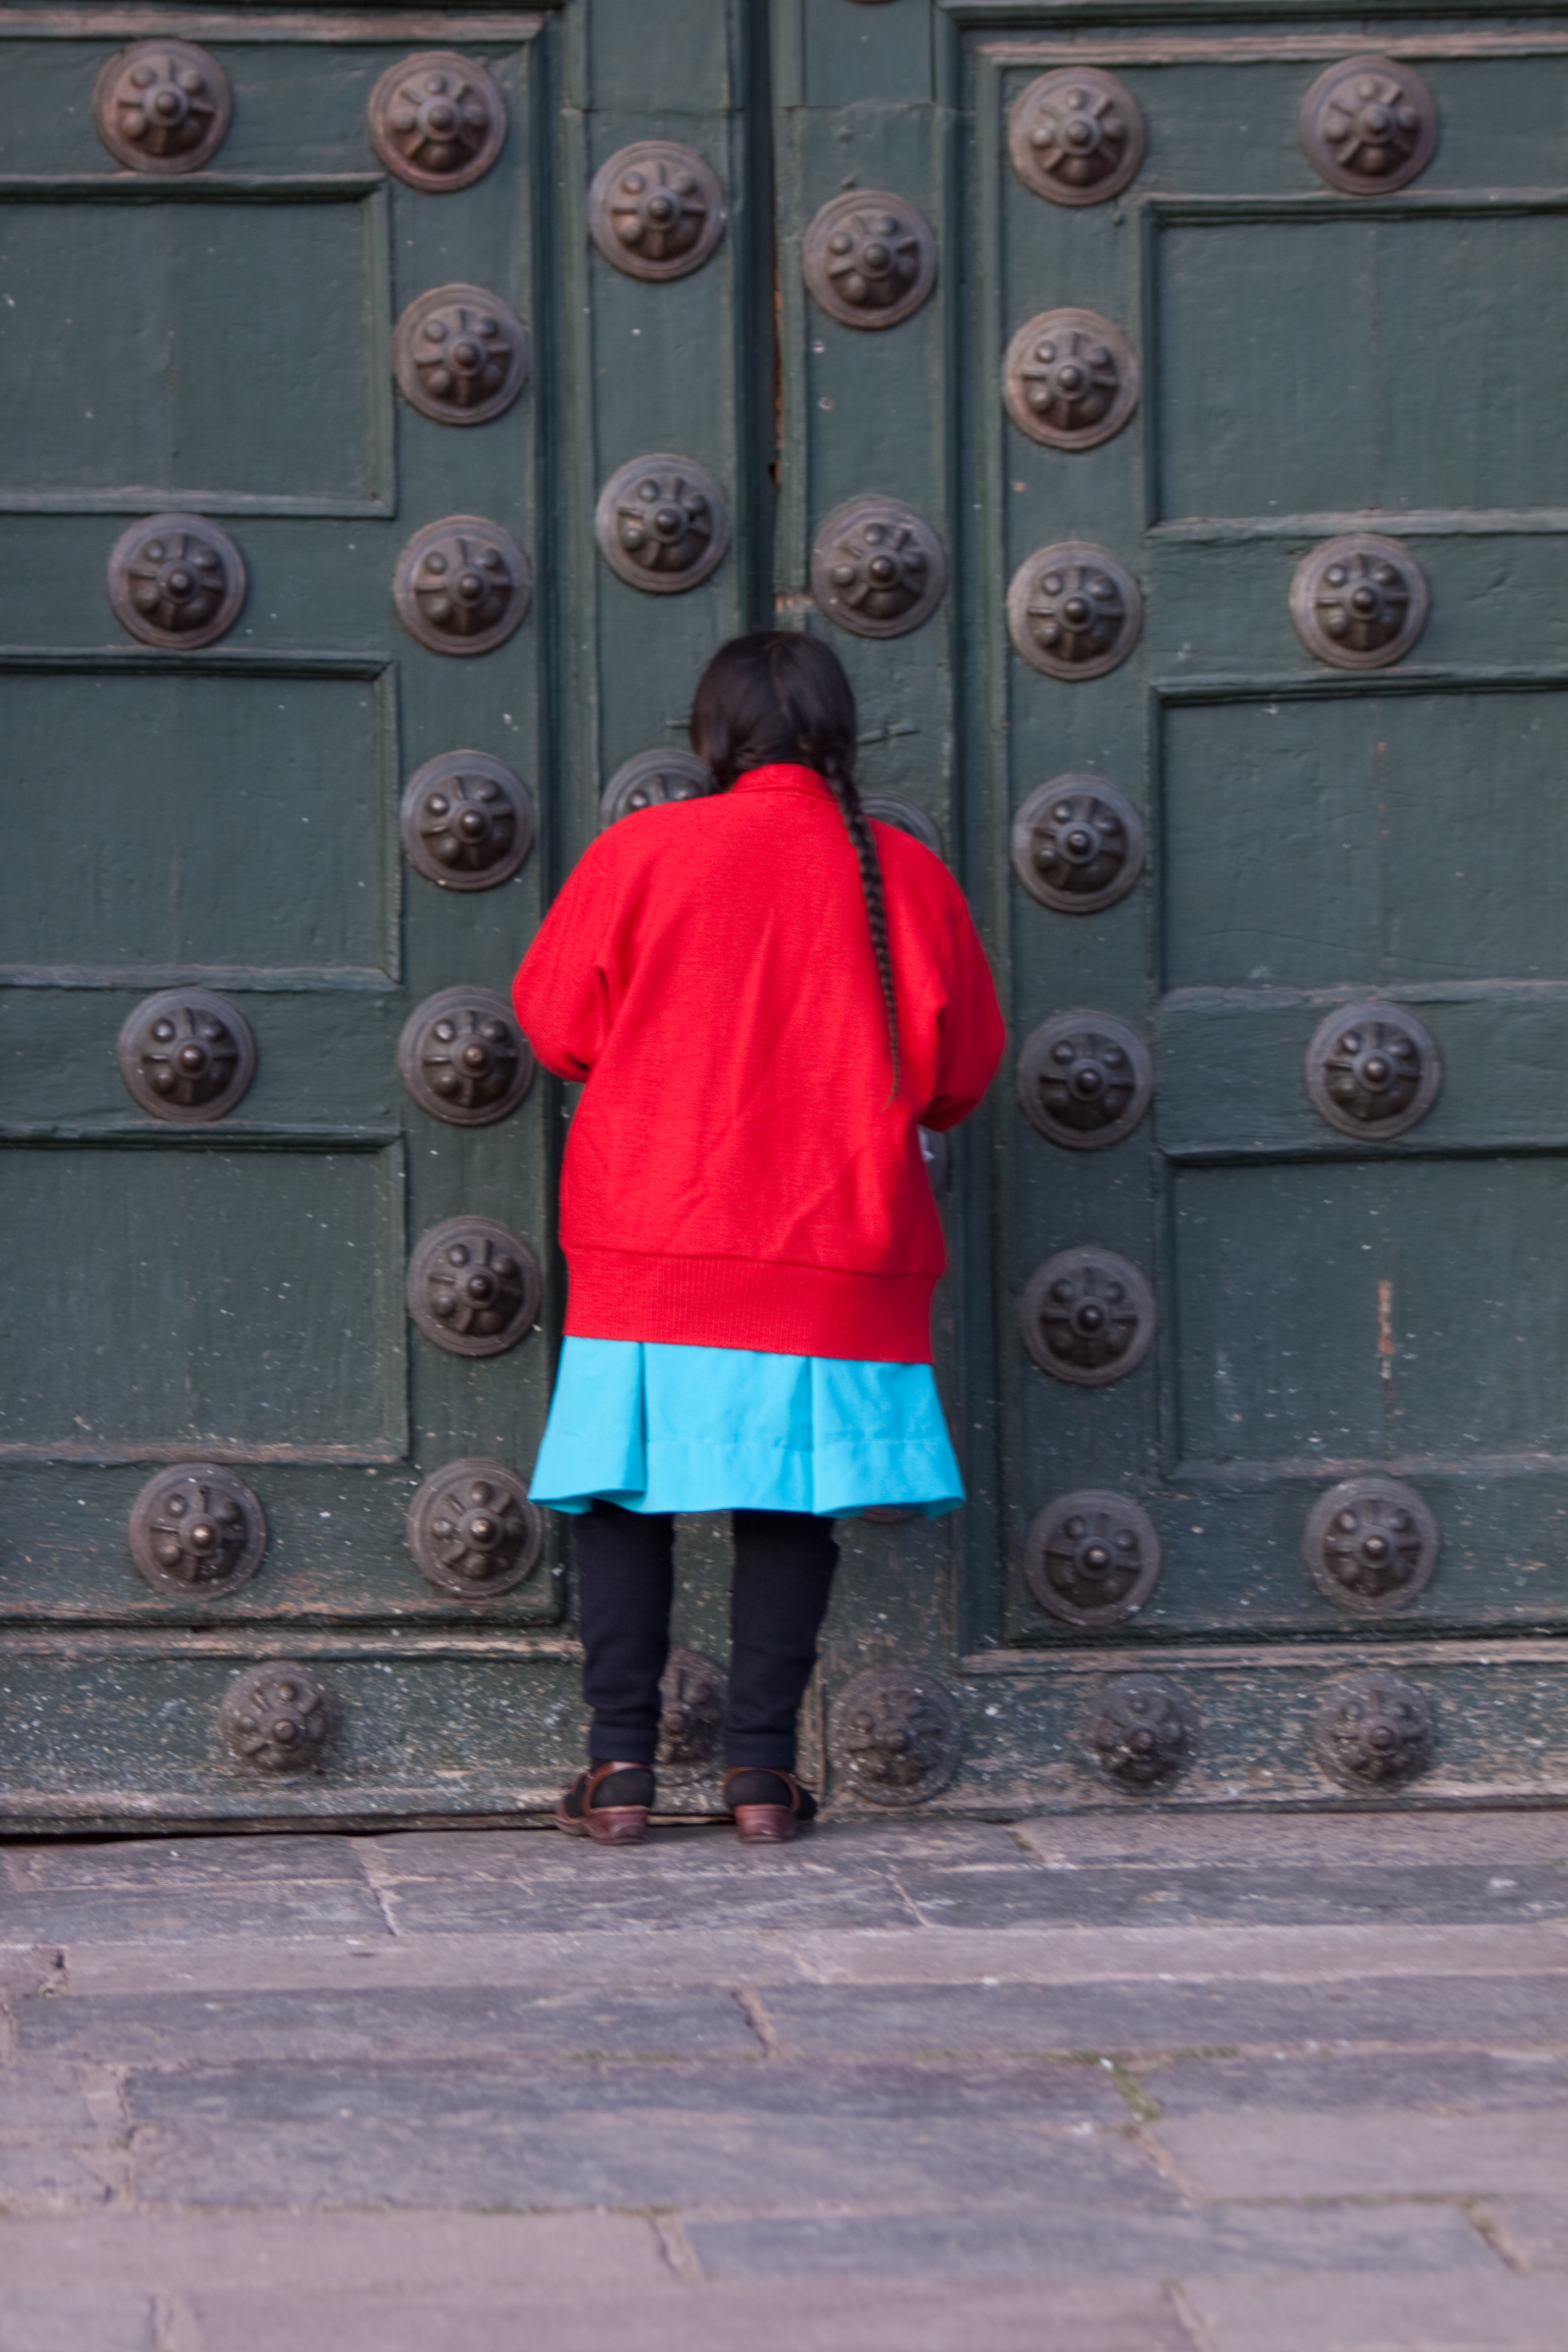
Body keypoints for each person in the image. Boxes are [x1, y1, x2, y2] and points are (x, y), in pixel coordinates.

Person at [512, 631, 1005, 1846]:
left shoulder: (643, 853)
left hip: (655, 1233)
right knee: (795, 1504)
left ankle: (619, 1770)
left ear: (711, 735)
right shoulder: (901, 877)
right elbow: (963, 1075)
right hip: (836, 1241)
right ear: (840, 739)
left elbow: (555, 1024)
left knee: (625, 1499)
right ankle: (760, 1778)